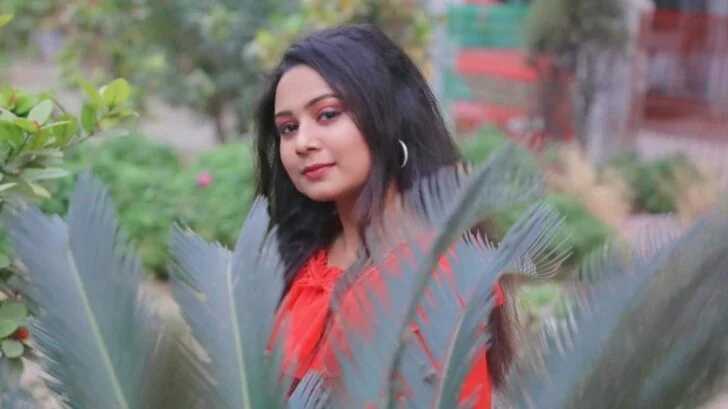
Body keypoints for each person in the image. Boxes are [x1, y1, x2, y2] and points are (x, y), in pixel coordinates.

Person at [254, 23, 513, 408]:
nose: (302, 143)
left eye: (327, 114)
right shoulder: (300, 258)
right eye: (288, 128)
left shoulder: (439, 275)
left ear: (389, 118)